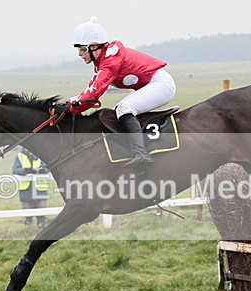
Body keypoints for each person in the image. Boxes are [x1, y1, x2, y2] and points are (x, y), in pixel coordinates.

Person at [66, 16, 176, 170]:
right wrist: (67, 105)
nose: (79, 54)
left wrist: (70, 109)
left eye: (82, 49)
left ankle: (141, 153)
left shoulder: (110, 61)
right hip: (156, 84)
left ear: (94, 47)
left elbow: (94, 94)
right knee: (123, 107)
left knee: (124, 108)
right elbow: (89, 89)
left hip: (161, 84)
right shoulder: (102, 62)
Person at [12, 147, 50, 228]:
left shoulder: (41, 155)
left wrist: (39, 170)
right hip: (26, 189)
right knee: (27, 211)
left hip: (40, 189)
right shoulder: (19, 156)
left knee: (42, 211)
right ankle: (27, 229)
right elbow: (15, 170)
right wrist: (25, 170)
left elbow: (47, 167)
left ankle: (42, 228)